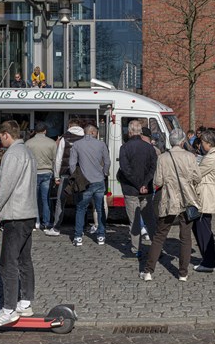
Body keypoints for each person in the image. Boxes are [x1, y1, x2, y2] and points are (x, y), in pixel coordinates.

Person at [0, 120, 38, 327]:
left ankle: (9, 309)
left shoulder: (13, 154)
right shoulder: (28, 151)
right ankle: (26, 302)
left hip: (15, 214)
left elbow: (6, 186)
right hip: (28, 213)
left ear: (5, 134)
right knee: (24, 260)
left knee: (7, 264)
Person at [140, 129, 201, 282]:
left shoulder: (163, 158)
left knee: (160, 236)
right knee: (185, 237)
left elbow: (157, 182)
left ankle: (148, 271)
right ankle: (183, 273)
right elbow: (197, 178)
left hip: (168, 200)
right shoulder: (190, 157)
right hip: (187, 200)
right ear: (182, 142)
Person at [118, 120, 158, 258]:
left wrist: (137, 184)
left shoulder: (125, 148)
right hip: (146, 189)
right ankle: (156, 247)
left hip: (131, 189)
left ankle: (136, 249)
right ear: (140, 132)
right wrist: (144, 183)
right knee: (150, 220)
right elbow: (153, 168)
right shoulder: (149, 148)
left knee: (134, 221)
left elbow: (125, 169)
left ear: (129, 132)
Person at [69, 125, 111, 246]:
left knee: (81, 208)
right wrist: (105, 172)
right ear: (92, 132)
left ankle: (78, 237)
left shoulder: (77, 144)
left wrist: (76, 177)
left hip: (84, 181)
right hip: (99, 180)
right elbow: (107, 161)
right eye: (96, 133)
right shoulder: (101, 144)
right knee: (100, 208)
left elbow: (72, 164)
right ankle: (101, 236)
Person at [193, 129, 215, 272]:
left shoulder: (211, 157)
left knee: (202, 228)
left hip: (207, 193)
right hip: (210, 192)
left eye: (202, 142)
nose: (201, 145)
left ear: (207, 143)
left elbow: (197, 174)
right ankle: (211, 256)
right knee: (204, 226)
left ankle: (208, 261)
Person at [45, 119, 85, 236]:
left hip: (65, 174)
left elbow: (58, 159)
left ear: (69, 125)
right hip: (80, 175)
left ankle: (56, 228)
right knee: (80, 202)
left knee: (60, 201)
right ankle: (80, 229)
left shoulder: (64, 138)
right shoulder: (84, 138)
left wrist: (56, 176)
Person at [25, 122, 57, 230]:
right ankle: (46, 223)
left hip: (33, 173)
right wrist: (56, 175)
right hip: (47, 173)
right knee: (45, 199)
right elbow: (55, 160)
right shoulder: (52, 143)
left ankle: (35, 222)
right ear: (45, 131)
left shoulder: (28, 143)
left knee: (33, 200)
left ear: (35, 131)